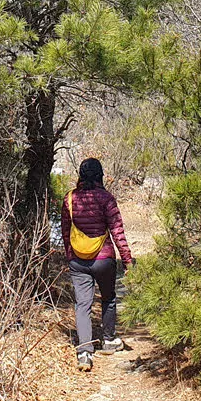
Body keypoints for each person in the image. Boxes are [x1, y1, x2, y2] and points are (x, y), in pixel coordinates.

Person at [60, 157, 133, 371]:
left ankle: (84, 352)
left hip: (78, 261)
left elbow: (66, 233)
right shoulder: (106, 198)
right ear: (100, 175)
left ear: (81, 176)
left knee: (83, 305)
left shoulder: (70, 199)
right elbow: (117, 231)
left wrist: (71, 256)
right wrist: (127, 260)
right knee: (109, 298)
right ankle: (109, 340)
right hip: (104, 259)